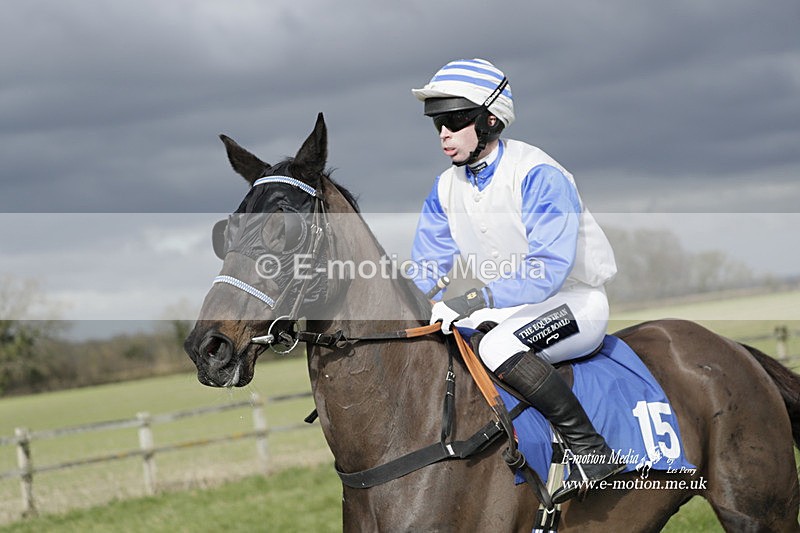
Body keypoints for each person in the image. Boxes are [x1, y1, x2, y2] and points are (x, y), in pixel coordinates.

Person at [408, 58, 624, 503]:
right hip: (510, 308)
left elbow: (546, 270)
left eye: (454, 121)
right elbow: (426, 266)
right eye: (437, 125)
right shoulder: (444, 188)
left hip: (575, 303)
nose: (444, 134)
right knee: (452, 343)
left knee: (497, 346)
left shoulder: (538, 175)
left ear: (490, 119)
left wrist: (470, 300)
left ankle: (592, 450)